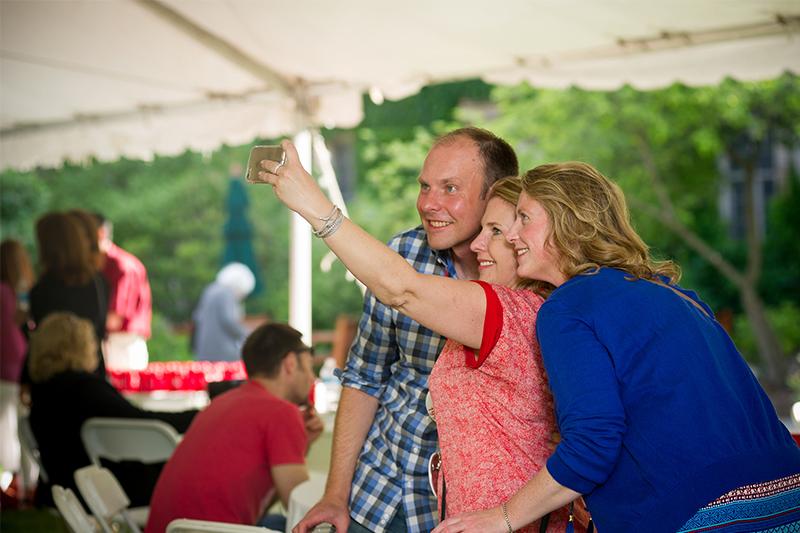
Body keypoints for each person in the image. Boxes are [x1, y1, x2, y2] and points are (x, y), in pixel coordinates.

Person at [429, 162, 800, 533]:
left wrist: (501, 517)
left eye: (524, 218)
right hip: (787, 496)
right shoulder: (672, 292)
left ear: (566, 221)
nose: (512, 235)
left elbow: (592, 445)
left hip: (705, 514)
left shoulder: (567, 308)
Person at [261, 146, 578, 532]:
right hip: (407, 495)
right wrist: (335, 492)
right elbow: (366, 374)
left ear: (526, 238)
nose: (480, 245)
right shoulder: (542, 307)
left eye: (497, 231)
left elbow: (402, 289)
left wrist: (312, 204)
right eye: (425, 187)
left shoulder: (510, 309)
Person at [145, 322, 323, 533]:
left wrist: (302, 444)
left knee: (275, 521)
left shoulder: (221, 402)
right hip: (216, 531)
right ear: (291, 363)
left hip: (175, 529)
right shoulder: (281, 412)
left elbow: (260, 502)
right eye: (310, 366)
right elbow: (303, 513)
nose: (312, 378)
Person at [27, 312, 196, 507]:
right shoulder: (85, 389)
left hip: (65, 486)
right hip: (104, 489)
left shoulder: (42, 392)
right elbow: (142, 423)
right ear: (78, 347)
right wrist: (200, 418)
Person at [29, 212, 109, 378]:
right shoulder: (95, 280)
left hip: (56, 374)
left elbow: (41, 336)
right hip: (88, 371)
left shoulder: (46, 287)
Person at [94, 212, 153, 371]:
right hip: (109, 343)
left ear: (100, 233)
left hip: (122, 346)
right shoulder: (100, 265)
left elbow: (114, 319)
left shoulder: (121, 266)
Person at [0, 239, 34, 479]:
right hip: (14, 364)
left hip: (9, 365)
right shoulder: (10, 293)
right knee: (17, 428)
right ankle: (20, 480)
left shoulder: (11, 293)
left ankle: (17, 479)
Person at [192, 262, 255, 361]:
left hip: (204, 350)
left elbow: (197, 317)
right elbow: (229, 321)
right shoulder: (226, 293)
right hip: (222, 352)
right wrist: (250, 335)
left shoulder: (210, 289)